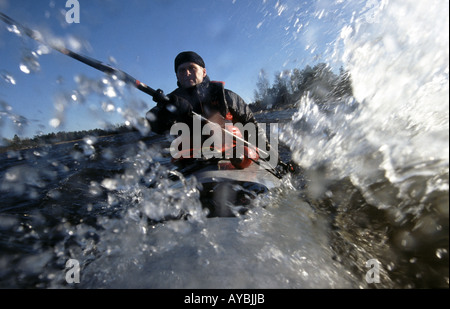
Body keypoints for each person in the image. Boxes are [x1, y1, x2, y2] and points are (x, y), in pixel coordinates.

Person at [146, 51, 268, 162]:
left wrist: (268, 153)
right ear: (177, 76)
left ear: (204, 72)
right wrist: (166, 111)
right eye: (181, 70)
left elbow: (251, 124)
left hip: (230, 158)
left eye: (192, 68)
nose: (187, 73)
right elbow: (152, 124)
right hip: (191, 164)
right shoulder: (170, 101)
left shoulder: (225, 96)